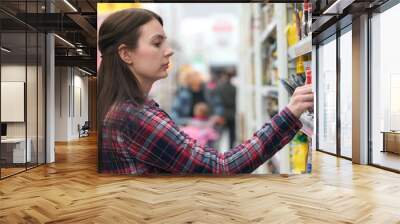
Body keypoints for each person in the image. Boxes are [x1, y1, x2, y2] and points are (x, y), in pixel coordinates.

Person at [97, 8, 314, 174]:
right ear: (126, 54)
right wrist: (289, 113)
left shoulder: (122, 109)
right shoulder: (134, 117)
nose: (169, 51)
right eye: (157, 43)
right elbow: (223, 168)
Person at [216, 69, 237, 148]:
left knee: (219, 134)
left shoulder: (219, 87)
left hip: (222, 114)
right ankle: (231, 150)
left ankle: (217, 150)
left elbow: (218, 101)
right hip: (231, 113)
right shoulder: (234, 88)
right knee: (232, 135)